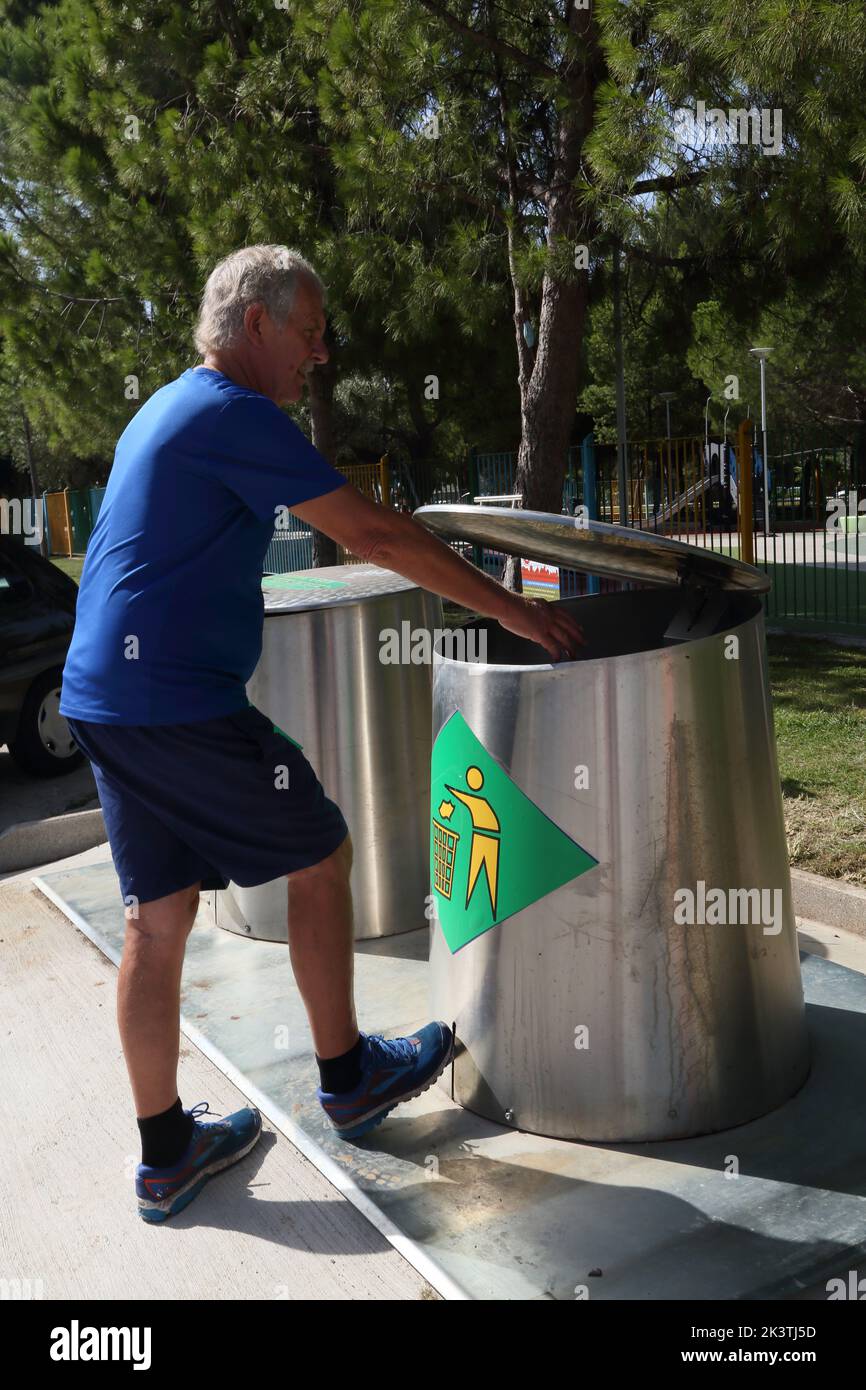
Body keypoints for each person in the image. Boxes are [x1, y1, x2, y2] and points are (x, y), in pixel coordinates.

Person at [59, 244, 586, 1223]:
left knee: (158, 918)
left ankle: (165, 1153)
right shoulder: (232, 412)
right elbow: (376, 534)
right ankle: (348, 1075)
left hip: (104, 698)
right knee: (320, 854)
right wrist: (514, 612)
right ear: (255, 324)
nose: (321, 354)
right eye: (310, 332)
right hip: (173, 699)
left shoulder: (166, 406)